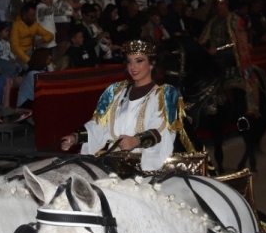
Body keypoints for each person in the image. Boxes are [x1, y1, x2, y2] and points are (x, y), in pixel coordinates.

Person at [59, 38, 192, 171]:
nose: (133, 67)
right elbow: (98, 126)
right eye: (129, 61)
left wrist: (136, 141)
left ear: (152, 64)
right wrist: (75, 137)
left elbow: (162, 130)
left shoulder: (163, 95)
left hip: (143, 168)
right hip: (112, 163)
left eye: (139, 61)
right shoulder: (116, 91)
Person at [198, 0, 259, 116]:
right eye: (217, 5)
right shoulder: (212, 22)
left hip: (230, 56)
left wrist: (218, 49)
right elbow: (202, 39)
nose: (219, 7)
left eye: (222, 4)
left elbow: (237, 42)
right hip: (214, 57)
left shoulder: (235, 20)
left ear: (226, 5)